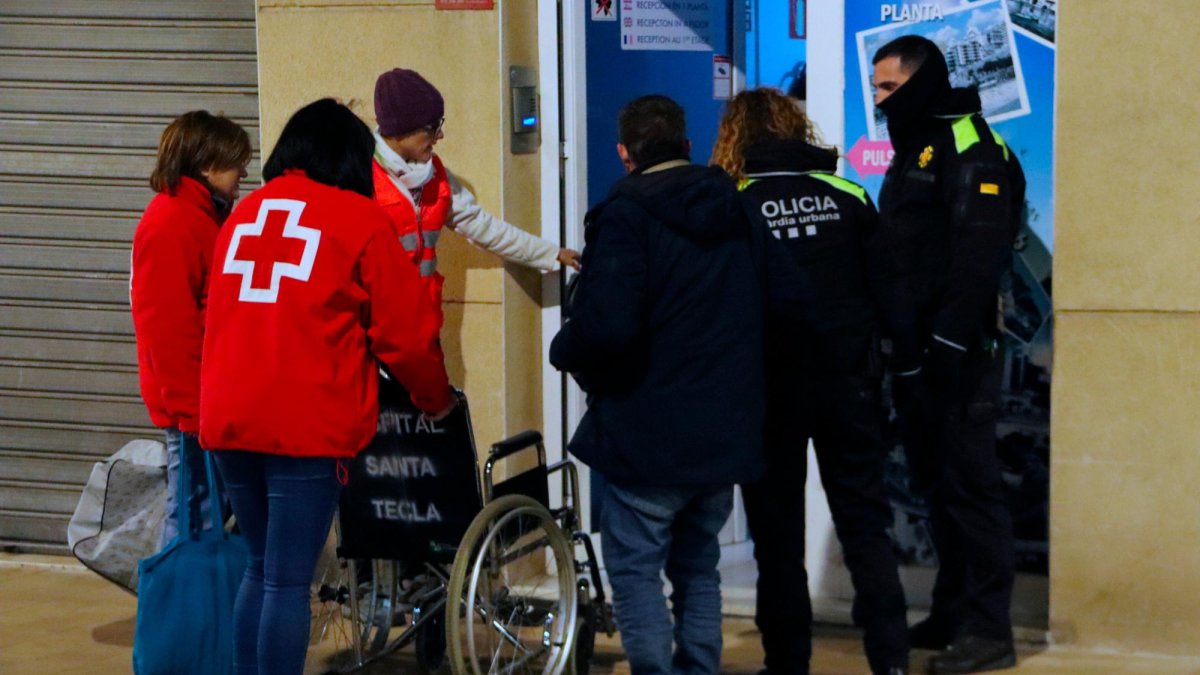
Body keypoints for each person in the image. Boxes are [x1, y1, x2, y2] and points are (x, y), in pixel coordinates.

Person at [550, 94, 805, 675]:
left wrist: (563, 349)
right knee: (698, 565)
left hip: (648, 431)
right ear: (687, 146)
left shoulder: (624, 215)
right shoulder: (737, 207)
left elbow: (608, 327)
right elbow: (783, 301)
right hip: (723, 429)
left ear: (624, 154)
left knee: (636, 570)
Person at [199, 98, 455, 675]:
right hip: (304, 424)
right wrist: (433, 400)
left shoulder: (244, 214)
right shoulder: (357, 219)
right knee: (289, 580)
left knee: (260, 568)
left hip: (229, 417)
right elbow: (409, 338)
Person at [711, 87, 910, 675]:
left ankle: (788, 664)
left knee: (776, 541)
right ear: (796, 130)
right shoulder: (847, 193)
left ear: (735, 139)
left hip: (769, 389)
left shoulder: (733, 201)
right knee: (866, 525)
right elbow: (887, 288)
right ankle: (890, 660)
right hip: (849, 382)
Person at [871, 35, 1026, 674]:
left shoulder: (971, 144)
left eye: (887, 88)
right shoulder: (917, 145)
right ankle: (954, 609)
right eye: (876, 89)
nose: (879, 102)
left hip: (959, 354)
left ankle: (991, 630)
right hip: (918, 354)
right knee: (937, 487)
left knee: (972, 489)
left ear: (920, 81)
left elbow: (978, 255)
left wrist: (948, 343)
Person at [372, 67, 580, 328]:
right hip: (375, 329)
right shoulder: (360, 177)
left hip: (422, 325)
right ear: (402, 130)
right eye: (433, 127)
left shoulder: (436, 177)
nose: (440, 135)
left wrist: (551, 253)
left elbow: (486, 228)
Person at [130, 110, 251, 548]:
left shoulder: (203, 216)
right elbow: (166, 328)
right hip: (193, 410)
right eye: (235, 160)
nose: (243, 170)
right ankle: (182, 614)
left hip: (209, 404)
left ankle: (194, 612)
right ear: (204, 164)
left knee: (203, 514)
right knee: (192, 519)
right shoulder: (171, 222)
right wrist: (192, 415)